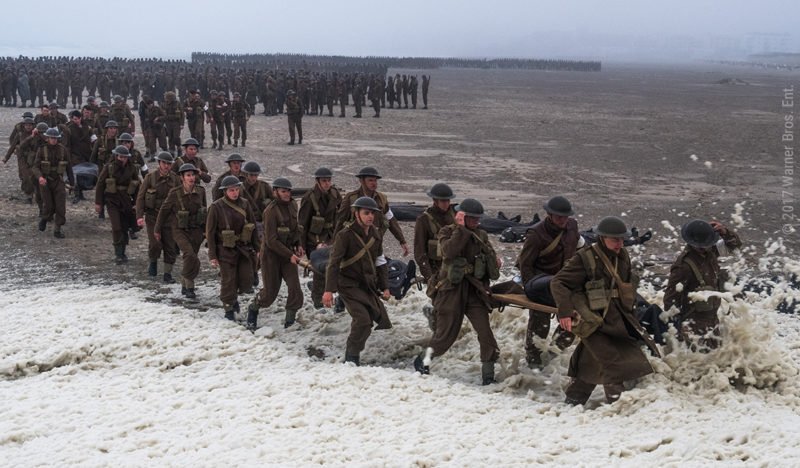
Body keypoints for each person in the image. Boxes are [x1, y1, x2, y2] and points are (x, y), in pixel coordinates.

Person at [551, 216, 659, 405]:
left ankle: (574, 399)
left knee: (592, 359)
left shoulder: (623, 256)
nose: (620, 243)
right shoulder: (584, 258)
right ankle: (617, 405)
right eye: (615, 239)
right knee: (612, 362)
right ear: (602, 238)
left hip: (617, 319)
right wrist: (565, 312)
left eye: (622, 239)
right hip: (593, 320)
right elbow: (558, 283)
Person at [413, 198, 501, 384]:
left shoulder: (481, 235)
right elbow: (449, 252)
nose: (477, 222)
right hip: (450, 290)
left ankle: (488, 376)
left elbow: (489, 262)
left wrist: (494, 262)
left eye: (478, 219)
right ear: (462, 217)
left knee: (485, 333)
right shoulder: (447, 232)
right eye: (472, 218)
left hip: (473, 290)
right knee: (445, 337)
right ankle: (423, 361)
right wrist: (462, 230)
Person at [322, 197, 391, 365]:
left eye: (372, 213)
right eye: (366, 213)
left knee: (369, 321)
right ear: (356, 214)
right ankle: (351, 357)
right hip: (348, 285)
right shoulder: (345, 235)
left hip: (367, 285)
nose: (370, 217)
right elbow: (334, 263)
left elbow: (380, 261)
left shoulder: (375, 234)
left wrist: (385, 286)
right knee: (363, 320)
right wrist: (328, 290)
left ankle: (353, 355)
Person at [516, 196, 580, 367]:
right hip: (540, 284)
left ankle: (553, 353)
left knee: (576, 316)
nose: (563, 220)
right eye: (559, 217)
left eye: (565, 216)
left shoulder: (572, 226)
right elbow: (525, 265)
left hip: (564, 283)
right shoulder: (536, 234)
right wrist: (531, 290)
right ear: (550, 215)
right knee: (540, 323)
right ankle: (533, 358)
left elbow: (579, 248)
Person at [664, 219, 742, 349]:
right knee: (700, 360)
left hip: (712, 319)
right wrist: (676, 330)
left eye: (707, 245)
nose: (704, 248)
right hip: (693, 324)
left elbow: (735, 246)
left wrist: (724, 232)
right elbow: (670, 299)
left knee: (716, 358)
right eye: (701, 246)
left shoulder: (711, 251)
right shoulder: (683, 266)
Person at [246, 178, 304, 331]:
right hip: (271, 256)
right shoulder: (270, 211)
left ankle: (289, 322)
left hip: (288, 254)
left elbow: (294, 228)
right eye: (283, 191)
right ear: (275, 192)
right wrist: (289, 254)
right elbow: (271, 241)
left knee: (295, 289)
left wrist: (298, 244)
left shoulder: (292, 205)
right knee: (269, 294)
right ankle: (254, 307)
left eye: (288, 191)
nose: (287, 194)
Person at [206, 175, 259, 321]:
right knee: (228, 280)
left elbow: (253, 226)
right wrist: (212, 255)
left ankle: (233, 298)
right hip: (224, 249)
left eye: (236, 189)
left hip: (243, 248)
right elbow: (210, 233)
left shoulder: (245, 204)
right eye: (231, 190)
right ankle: (228, 307)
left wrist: (258, 247)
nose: (235, 193)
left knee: (246, 279)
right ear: (225, 191)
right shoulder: (216, 207)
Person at [154, 163, 208, 299]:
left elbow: (205, 210)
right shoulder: (175, 193)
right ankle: (190, 287)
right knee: (190, 255)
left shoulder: (201, 191)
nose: (191, 178)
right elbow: (164, 211)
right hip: (179, 230)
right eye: (188, 175)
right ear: (182, 177)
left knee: (190, 257)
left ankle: (185, 284)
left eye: (193, 175)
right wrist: (157, 229)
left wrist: (206, 230)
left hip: (196, 230)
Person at [335, 167, 409, 256]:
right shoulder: (351, 198)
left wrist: (402, 241)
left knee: (381, 268)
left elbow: (391, 220)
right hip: (355, 244)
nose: (374, 183)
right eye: (370, 180)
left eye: (375, 181)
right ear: (362, 181)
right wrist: (334, 243)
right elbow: (340, 221)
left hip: (375, 243)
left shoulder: (381, 199)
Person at [413, 183, 456, 331]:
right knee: (441, 303)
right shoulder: (423, 220)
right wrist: (429, 276)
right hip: (435, 270)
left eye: (448, 201)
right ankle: (439, 333)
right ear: (435, 201)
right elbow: (419, 252)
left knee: (453, 303)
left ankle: (441, 328)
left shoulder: (454, 216)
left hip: (453, 268)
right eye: (443, 201)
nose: (446, 204)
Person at [298, 167, 342, 308]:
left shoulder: (335, 194)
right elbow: (302, 225)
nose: (327, 184)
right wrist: (302, 246)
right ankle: (318, 301)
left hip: (332, 237)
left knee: (336, 268)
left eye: (329, 180)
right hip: (314, 239)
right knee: (319, 272)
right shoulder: (309, 198)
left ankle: (340, 298)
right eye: (324, 181)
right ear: (317, 181)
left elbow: (341, 216)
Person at [136, 151, 181, 282]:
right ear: (159, 163)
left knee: (170, 246)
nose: (166, 166)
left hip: (170, 218)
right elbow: (140, 198)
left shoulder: (175, 179)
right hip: (153, 217)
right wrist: (139, 216)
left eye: (168, 163)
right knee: (155, 244)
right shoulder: (150, 178)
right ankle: (153, 262)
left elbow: (181, 197)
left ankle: (167, 273)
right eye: (164, 163)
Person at [95, 146, 141, 264]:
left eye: (125, 157)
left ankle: (122, 252)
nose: (122, 159)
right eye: (120, 157)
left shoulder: (132, 169)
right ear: (116, 156)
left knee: (124, 227)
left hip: (126, 201)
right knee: (116, 227)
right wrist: (98, 203)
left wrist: (137, 203)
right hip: (112, 201)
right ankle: (118, 253)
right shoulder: (109, 167)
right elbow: (100, 184)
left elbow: (138, 186)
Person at [32, 127, 74, 238]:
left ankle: (57, 230)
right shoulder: (41, 150)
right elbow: (35, 167)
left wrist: (72, 183)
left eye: (56, 138)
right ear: (47, 138)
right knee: (48, 205)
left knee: (61, 207)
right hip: (45, 181)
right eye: (51, 138)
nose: (54, 140)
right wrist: (40, 177)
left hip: (59, 181)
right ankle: (45, 218)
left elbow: (69, 168)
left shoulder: (63, 150)